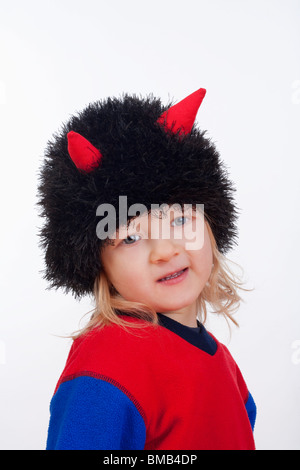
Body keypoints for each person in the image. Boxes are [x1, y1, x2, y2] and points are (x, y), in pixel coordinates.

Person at [37, 88, 257, 450]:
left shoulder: (224, 365)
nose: (165, 250)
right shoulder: (106, 366)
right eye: (130, 238)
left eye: (181, 219)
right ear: (98, 264)